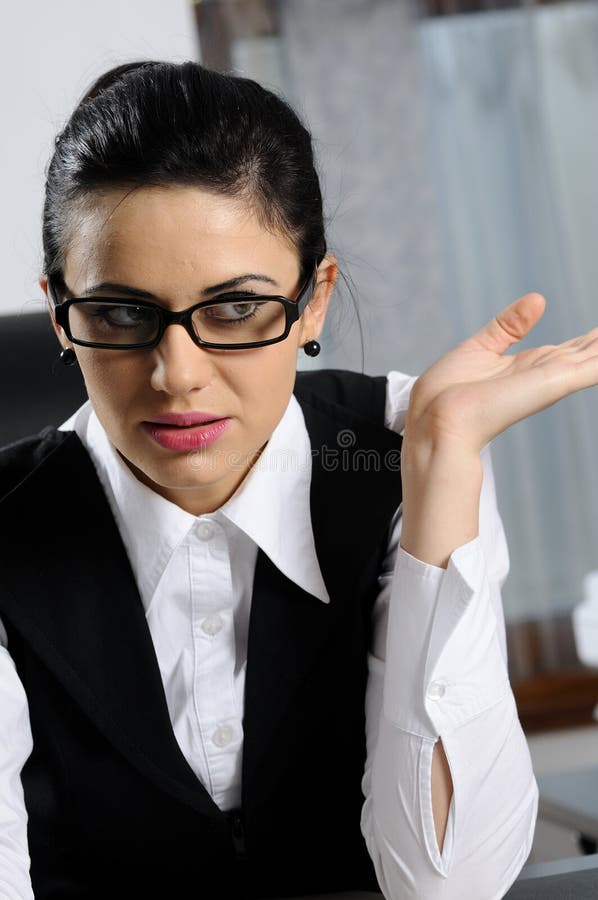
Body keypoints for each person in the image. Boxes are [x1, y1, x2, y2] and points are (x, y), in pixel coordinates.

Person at [1, 59, 594, 900]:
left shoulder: (401, 449)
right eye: (121, 313)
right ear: (61, 312)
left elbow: (445, 885)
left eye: (236, 308)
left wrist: (442, 463)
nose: (177, 373)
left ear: (313, 301)